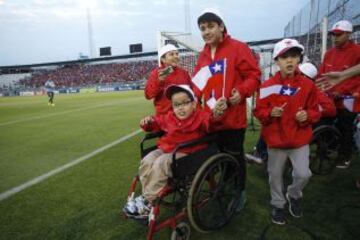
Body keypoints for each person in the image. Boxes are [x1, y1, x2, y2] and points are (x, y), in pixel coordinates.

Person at [123, 84, 226, 219]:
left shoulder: (201, 116)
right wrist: (147, 122)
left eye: (185, 103)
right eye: (176, 105)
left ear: (194, 104)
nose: (181, 108)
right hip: (168, 148)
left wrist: (216, 115)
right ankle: (146, 196)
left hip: (188, 153)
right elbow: (156, 122)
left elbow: (211, 123)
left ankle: (148, 202)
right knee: (147, 159)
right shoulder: (169, 116)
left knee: (161, 162)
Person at [192, 8, 261, 208]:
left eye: (211, 26)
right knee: (216, 158)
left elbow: (254, 76)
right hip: (211, 119)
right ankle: (224, 188)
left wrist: (241, 91)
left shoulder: (238, 47)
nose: (206, 32)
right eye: (202, 28)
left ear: (221, 26)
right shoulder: (203, 56)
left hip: (232, 119)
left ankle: (239, 193)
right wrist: (190, 103)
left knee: (234, 157)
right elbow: (197, 85)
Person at [254, 39, 321, 225]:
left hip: (299, 140)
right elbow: (258, 111)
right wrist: (270, 113)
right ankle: (278, 204)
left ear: (299, 58)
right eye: (285, 57)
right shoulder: (267, 86)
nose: (290, 61)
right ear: (277, 60)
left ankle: (294, 194)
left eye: (293, 56)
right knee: (274, 175)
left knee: (304, 174)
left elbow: (316, 111)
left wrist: (306, 115)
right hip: (276, 141)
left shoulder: (308, 85)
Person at [317, 20, 360, 169]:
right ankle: (328, 148)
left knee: (345, 126)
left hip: (348, 99)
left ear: (349, 34)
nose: (335, 38)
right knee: (322, 122)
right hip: (329, 99)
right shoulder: (328, 53)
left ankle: (344, 156)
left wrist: (344, 91)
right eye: (333, 35)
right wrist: (322, 91)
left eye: (339, 35)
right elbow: (322, 75)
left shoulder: (357, 51)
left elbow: (356, 78)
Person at [145, 44, 191, 115]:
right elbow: (148, 95)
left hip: (183, 116)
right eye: (171, 54)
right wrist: (160, 81)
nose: (176, 56)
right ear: (163, 59)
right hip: (164, 118)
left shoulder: (184, 73)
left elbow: (191, 94)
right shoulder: (156, 73)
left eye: (177, 54)